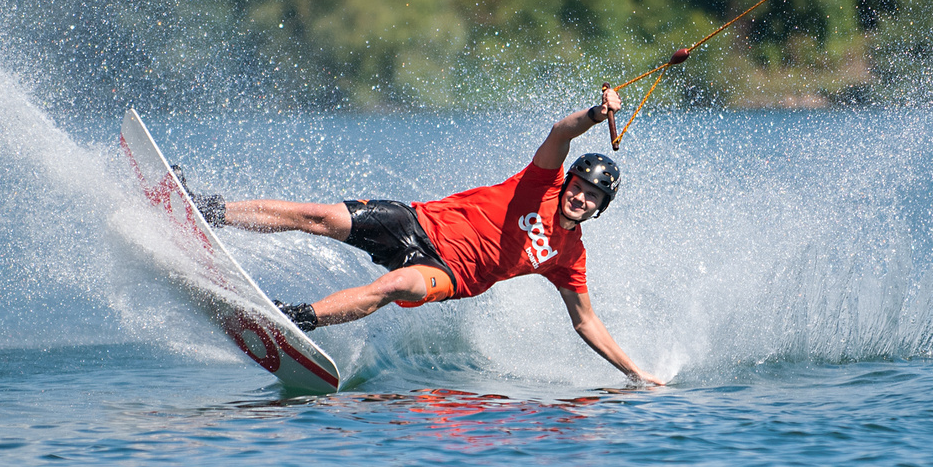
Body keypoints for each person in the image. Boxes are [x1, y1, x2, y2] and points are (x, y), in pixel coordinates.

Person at [186, 86, 664, 386]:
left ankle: (294, 321)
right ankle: (207, 210)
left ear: (601, 208)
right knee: (318, 216)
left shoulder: (570, 257)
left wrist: (635, 372)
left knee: (395, 287)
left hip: (447, 275)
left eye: (592, 198)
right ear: (568, 183)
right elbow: (561, 133)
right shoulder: (541, 181)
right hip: (416, 222)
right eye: (578, 188)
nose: (580, 198)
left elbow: (586, 323)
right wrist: (595, 116)